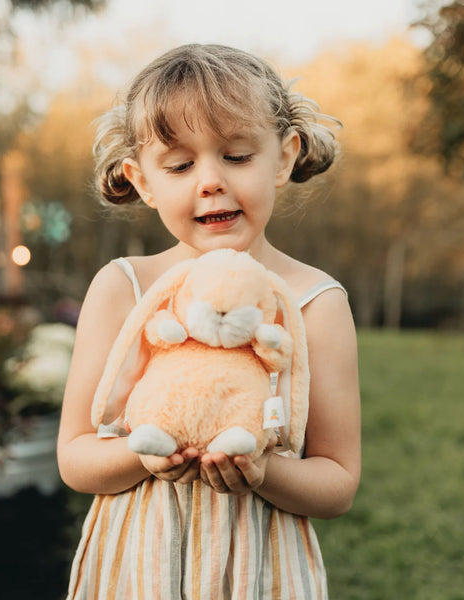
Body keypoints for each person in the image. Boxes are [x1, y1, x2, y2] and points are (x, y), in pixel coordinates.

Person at [58, 43, 361, 599]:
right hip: (136, 569)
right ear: (143, 180)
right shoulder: (123, 287)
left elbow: (337, 484)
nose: (210, 180)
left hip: (260, 574)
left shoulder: (315, 302)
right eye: (179, 164)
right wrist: (141, 454)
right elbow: (75, 457)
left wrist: (264, 472)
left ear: (285, 156)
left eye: (238, 156)